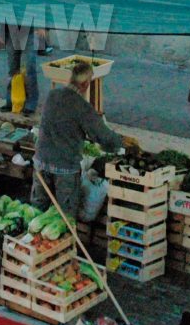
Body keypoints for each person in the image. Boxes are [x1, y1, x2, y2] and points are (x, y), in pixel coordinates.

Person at [33, 60, 123, 217]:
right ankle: (66, 241)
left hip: (40, 162)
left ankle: (29, 240)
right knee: (65, 217)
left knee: (37, 213)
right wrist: (118, 144)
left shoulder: (53, 95)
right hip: (65, 168)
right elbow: (102, 135)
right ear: (86, 83)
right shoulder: (82, 106)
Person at [0, 23, 39, 115]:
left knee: (29, 68)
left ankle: (30, 104)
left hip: (28, 32)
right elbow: (2, 11)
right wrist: (2, 33)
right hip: (11, 32)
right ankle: (11, 101)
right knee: (12, 69)